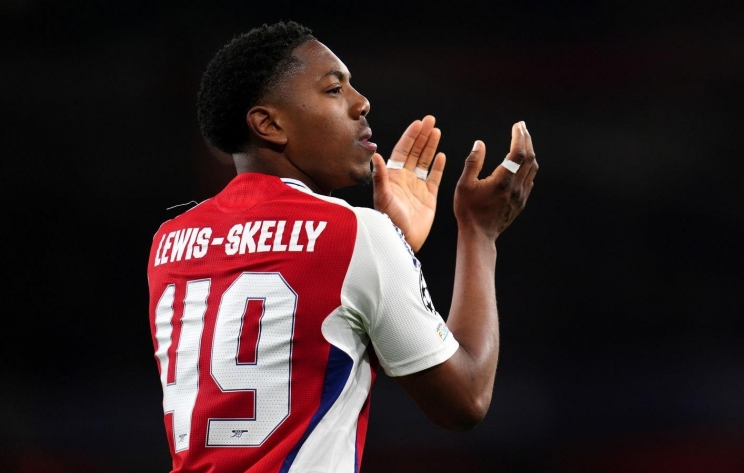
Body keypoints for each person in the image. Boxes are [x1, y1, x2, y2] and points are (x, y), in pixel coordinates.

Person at [147, 19, 537, 473]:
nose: (361, 102)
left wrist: (393, 246)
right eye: (334, 89)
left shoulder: (170, 241)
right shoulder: (355, 234)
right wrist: (479, 233)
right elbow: (465, 400)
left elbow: (296, 335)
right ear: (269, 124)